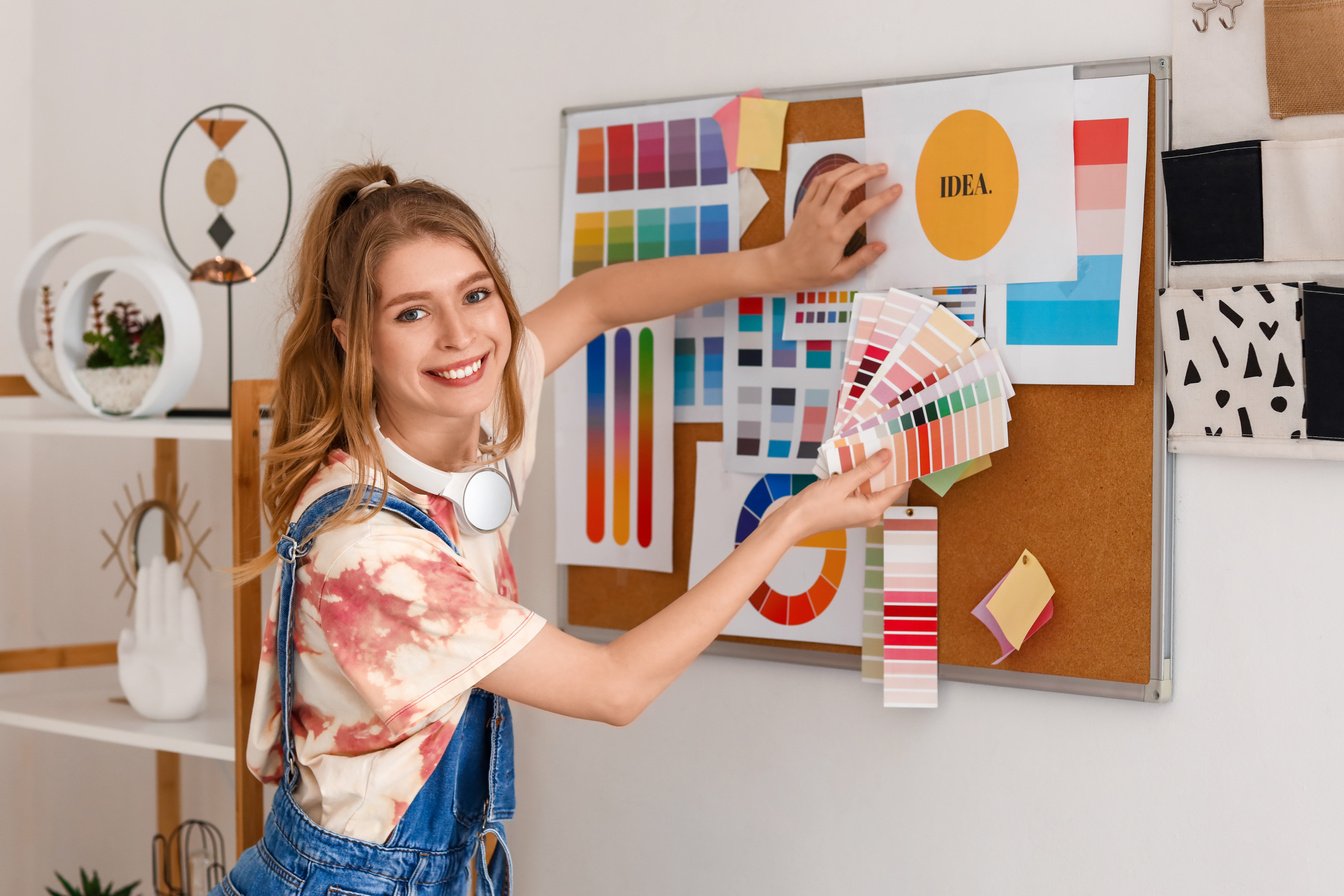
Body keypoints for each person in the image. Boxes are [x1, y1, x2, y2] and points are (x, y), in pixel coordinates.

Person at [216, 158, 908, 896]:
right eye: (412, 313)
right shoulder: (372, 553)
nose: (459, 336)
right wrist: (791, 521)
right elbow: (616, 688)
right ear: (353, 338)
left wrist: (778, 264)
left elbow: (594, 302)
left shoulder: (476, 405)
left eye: (475, 295)